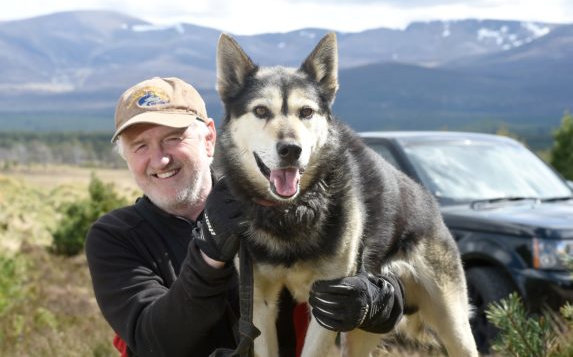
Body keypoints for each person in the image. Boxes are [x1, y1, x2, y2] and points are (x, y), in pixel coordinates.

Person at [85, 77, 405, 357]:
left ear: (209, 138)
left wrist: (372, 300)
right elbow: (156, 343)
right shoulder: (117, 237)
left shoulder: (278, 199)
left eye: (173, 138)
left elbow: (388, 299)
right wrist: (210, 250)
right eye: (140, 146)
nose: (160, 158)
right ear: (126, 157)